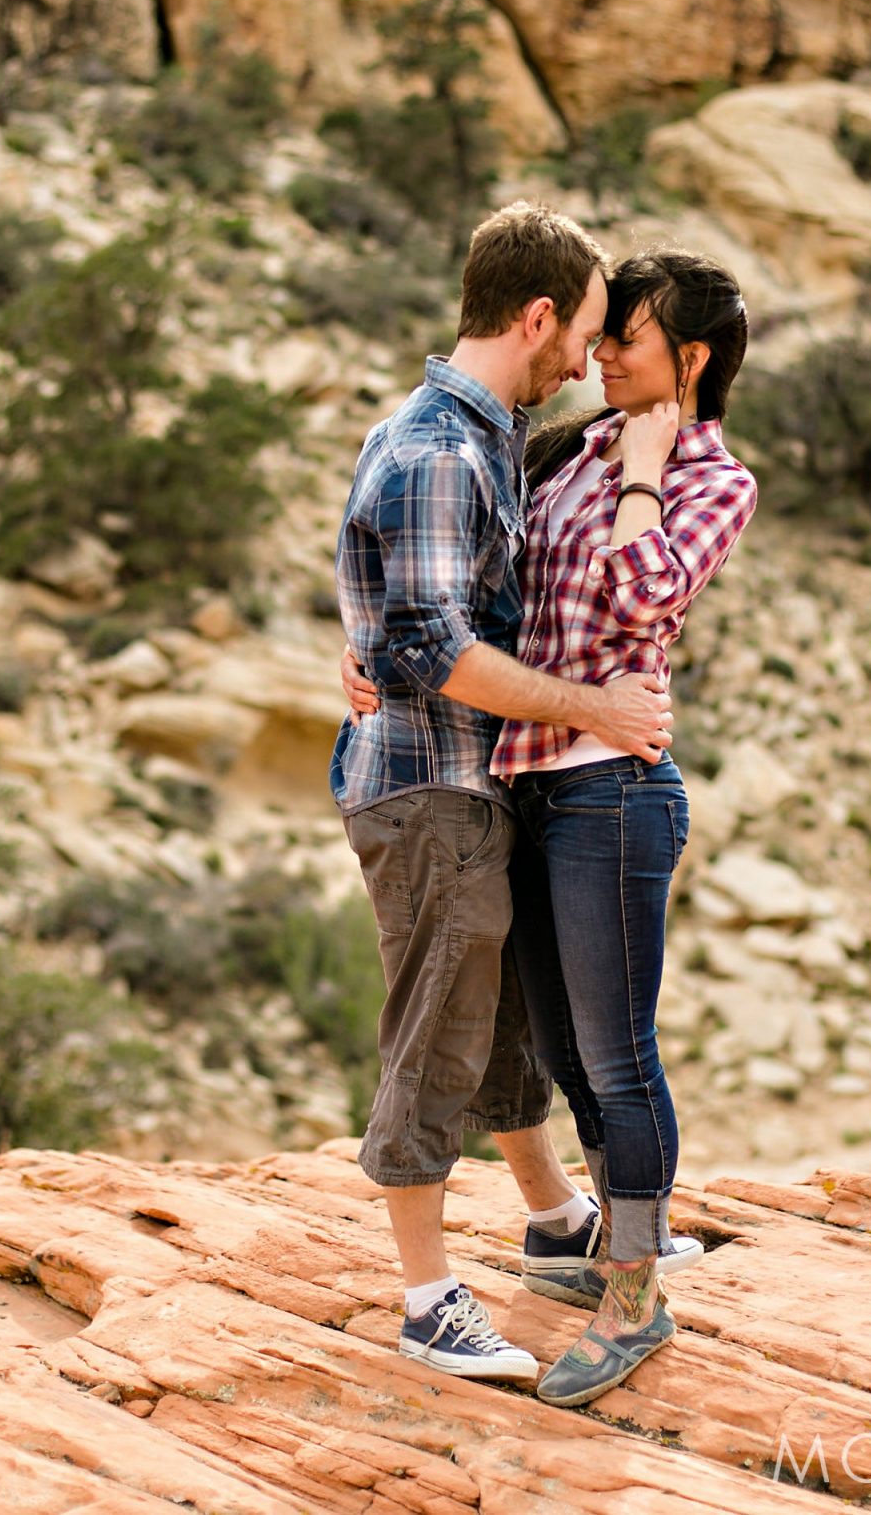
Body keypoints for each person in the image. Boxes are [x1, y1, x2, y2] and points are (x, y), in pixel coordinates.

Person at [344, 246, 759, 1407]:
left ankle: (635, 1294)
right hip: (525, 781)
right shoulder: (559, 450)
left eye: (626, 336)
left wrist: (642, 471)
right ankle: (589, 1243)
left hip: (612, 792)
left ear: (688, 359)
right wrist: (370, 651)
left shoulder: (713, 479)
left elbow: (643, 602)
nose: (600, 352)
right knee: (559, 1050)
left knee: (617, 1055)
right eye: (599, 329)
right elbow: (470, 596)